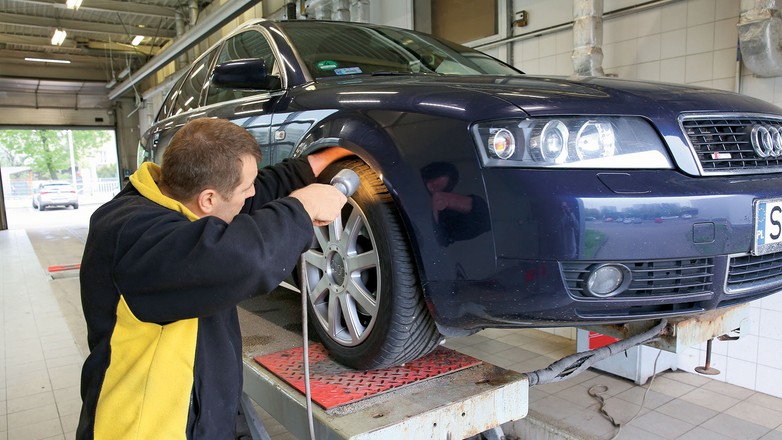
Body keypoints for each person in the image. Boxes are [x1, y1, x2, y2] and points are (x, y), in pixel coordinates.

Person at [76, 117, 351, 440]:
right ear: (208, 199)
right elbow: (248, 259)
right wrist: (302, 208)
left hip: (196, 413)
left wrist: (316, 163)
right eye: (246, 187)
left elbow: (249, 197)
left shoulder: (170, 197)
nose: (252, 193)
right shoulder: (137, 240)